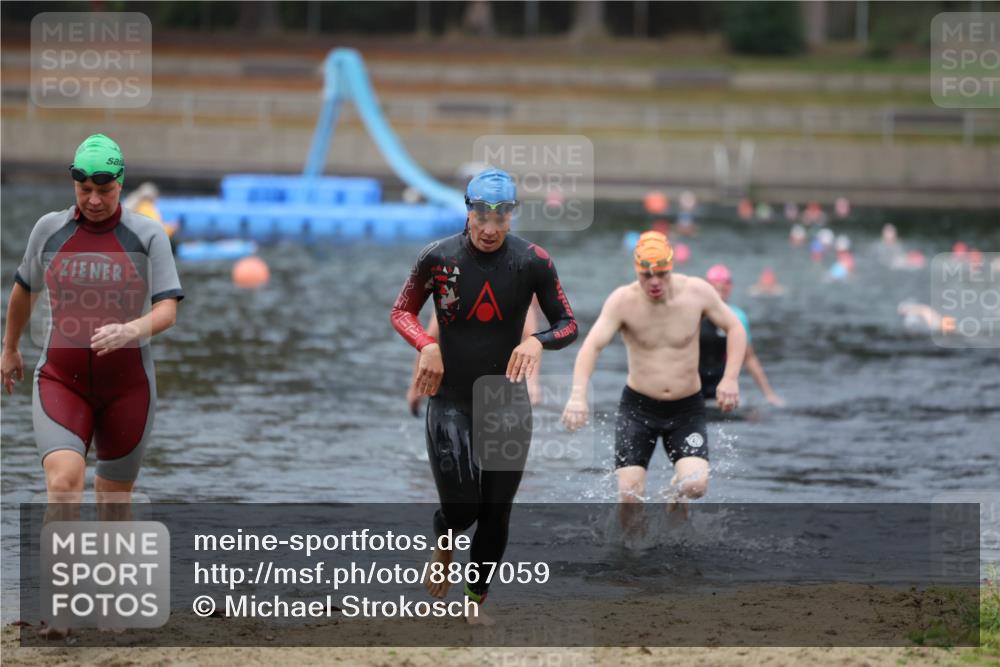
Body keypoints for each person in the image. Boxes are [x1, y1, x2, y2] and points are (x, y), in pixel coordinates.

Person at [1, 134, 183, 638]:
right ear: (75, 183)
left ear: (120, 183)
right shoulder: (49, 230)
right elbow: (23, 290)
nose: (95, 199)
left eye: (104, 189)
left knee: (113, 502)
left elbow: (168, 308)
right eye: (85, 188)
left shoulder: (148, 234)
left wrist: (132, 329)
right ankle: (57, 611)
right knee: (62, 483)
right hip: (61, 378)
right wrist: (10, 347)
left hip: (129, 387)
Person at [390, 167, 577, 624]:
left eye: (501, 217)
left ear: (512, 214)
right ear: (468, 211)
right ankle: (444, 536)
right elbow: (402, 312)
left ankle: (475, 601)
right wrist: (427, 345)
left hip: (506, 402)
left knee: (495, 511)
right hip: (450, 397)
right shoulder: (437, 258)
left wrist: (537, 341)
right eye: (482, 217)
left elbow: (568, 324)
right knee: (462, 508)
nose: (491, 229)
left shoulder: (532, 260)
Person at [560, 232, 745, 517]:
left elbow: (735, 328)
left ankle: (674, 493)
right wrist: (577, 396)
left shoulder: (697, 292)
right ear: (636, 270)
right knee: (630, 498)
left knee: (695, 486)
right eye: (646, 275)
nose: (654, 281)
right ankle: (630, 559)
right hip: (638, 409)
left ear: (671, 266)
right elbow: (592, 346)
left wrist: (730, 378)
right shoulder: (622, 301)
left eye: (661, 273)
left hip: (687, 409)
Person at [700, 265, 784, 407]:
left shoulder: (737, 317)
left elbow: (749, 358)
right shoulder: (696, 313)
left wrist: (769, 394)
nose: (721, 291)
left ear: (730, 288)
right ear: (706, 287)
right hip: (694, 391)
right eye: (716, 287)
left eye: (725, 287)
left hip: (722, 391)